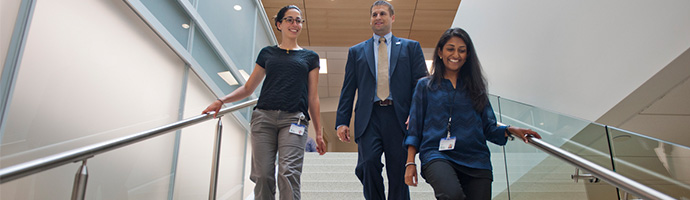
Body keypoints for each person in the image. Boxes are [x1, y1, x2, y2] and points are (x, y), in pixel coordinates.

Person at [202, 5, 326, 200]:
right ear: (279, 24)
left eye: (299, 20)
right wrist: (221, 101)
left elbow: (313, 96)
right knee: (262, 176)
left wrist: (318, 133)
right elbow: (248, 88)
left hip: (295, 120)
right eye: (290, 20)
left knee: (288, 173)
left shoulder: (310, 57)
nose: (295, 24)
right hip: (263, 119)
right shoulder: (267, 53)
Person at [403, 27, 542, 200]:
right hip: (436, 153)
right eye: (450, 49)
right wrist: (410, 163)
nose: (456, 54)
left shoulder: (476, 88)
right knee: (451, 195)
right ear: (440, 52)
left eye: (462, 50)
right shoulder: (425, 86)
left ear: (468, 55)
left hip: (476, 159)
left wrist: (512, 130)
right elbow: (414, 128)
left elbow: (489, 127)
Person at [334, 1, 428, 199]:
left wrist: (416, 113)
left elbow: (421, 87)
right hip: (369, 117)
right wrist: (342, 121)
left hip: (399, 117)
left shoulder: (411, 48)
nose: (378, 17)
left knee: (397, 171)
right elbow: (348, 89)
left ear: (392, 18)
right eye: (374, 14)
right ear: (370, 19)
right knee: (367, 164)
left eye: (382, 14)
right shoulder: (356, 51)